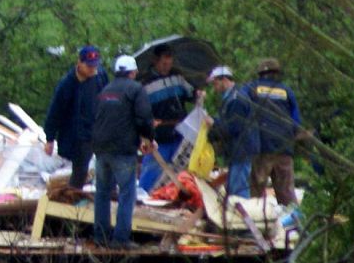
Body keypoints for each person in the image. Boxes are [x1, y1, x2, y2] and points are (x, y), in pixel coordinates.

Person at [93, 54, 155, 247]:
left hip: (101, 149)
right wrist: (149, 138)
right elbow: (144, 117)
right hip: (123, 150)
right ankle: (120, 239)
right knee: (127, 193)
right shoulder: (136, 89)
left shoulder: (105, 90)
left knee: (102, 192)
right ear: (133, 72)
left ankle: (101, 237)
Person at [43, 45, 107, 190]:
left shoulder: (100, 76)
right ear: (79, 62)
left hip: (98, 128)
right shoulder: (67, 84)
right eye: (89, 66)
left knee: (108, 165)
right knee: (80, 171)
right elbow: (55, 112)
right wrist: (50, 138)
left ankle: (108, 198)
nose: (92, 69)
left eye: (94, 66)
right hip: (78, 134)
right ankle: (72, 200)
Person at [138, 43, 197, 192]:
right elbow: (139, 109)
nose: (167, 67)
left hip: (179, 131)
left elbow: (190, 94)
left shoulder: (177, 76)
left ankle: (173, 195)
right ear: (155, 61)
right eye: (164, 63)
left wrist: (198, 95)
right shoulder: (145, 83)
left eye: (170, 63)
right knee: (152, 169)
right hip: (158, 134)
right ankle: (145, 196)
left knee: (180, 170)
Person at [244, 58, 302, 205]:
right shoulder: (287, 91)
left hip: (261, 147)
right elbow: (296, 121)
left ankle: (253, 225)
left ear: (260, 73)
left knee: (255, 192)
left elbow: (241, 111)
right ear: (277, 74)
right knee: (287, 194)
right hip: (284, 148)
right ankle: (295, 225)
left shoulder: (252, 88)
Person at [206, 66, 258, 199]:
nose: (214, 87)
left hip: (241, 150)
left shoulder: (236, 99)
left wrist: (214, 124)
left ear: (224, 80)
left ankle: (242, 217)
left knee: (238, 191)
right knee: (233, 188)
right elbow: (227, 121)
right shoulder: (230, 98)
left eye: (215, 83)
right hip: (236, 151)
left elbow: (235, 127)